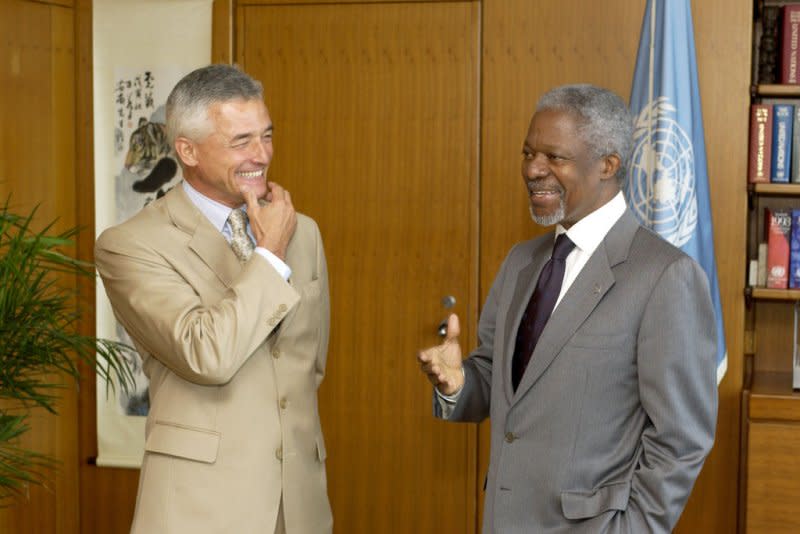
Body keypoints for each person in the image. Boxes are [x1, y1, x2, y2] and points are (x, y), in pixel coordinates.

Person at [417, 84, 717, 533]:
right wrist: (458, 381)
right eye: (528, 153)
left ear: (608, 165)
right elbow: (502, 385)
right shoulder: (522, 262)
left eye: (554, 157)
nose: (533, 170)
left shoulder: (665, 277)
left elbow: (681, 441)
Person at [95, 64, 332, 534]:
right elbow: (207, 355)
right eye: (241, 141)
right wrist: (268, 255)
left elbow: (308, 367)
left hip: (299, 506)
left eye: (267, 135)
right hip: (198, 509)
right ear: (187, 150)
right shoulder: (130, 244)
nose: (261, 155)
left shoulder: (304, 233)